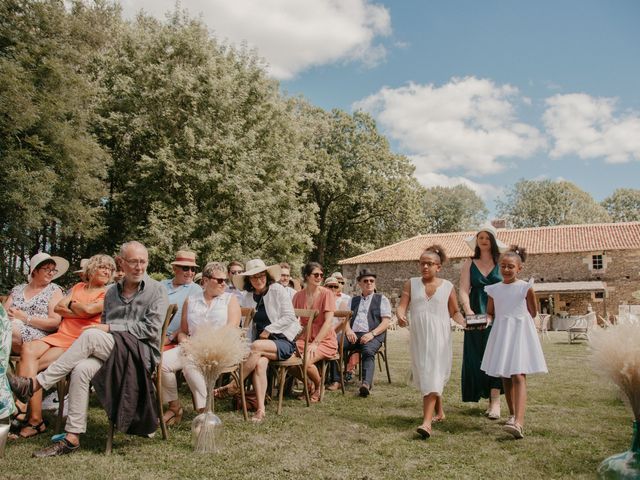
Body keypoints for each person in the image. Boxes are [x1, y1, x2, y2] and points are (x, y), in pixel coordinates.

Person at [9, 241, 168, 457]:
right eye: (133, 262)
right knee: (81, 369)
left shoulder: (157, 290)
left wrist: (111, 327)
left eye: (143, 261)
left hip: (141, 353)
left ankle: (36, 383)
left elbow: (151, 329)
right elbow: (99, 322)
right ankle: (72, 437)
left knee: (92, 333)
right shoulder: (112, 292)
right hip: (112, 350)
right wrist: (106, 328)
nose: (139, 267)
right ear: (121, 262)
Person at [13, 254, 114, 439]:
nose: (107, 271)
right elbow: (60, 309)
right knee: (28, 349)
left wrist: (73, 307)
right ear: (91, 270)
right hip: (61, 335)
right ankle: (33, 416)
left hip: (79, 341)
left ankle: (32, 418)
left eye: (110, 269)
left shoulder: (109, 292)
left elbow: (90, 311)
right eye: (103, 267)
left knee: (26, 365)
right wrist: (80, 311)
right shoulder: (77, 287)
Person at [216, 259, 300, 422]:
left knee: (256, 346)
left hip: (283, 341)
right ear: (248, 280)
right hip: (260, 346)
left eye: (261, 276)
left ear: (267, 276)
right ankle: (260, 410)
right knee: (260, 363)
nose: (258, 280)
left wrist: (269, 330)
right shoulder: (248, 296)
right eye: (254, 277)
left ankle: (234, 385)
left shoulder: (277, 290)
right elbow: (247, 326)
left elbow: (290, 317)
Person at [397, 246, 465, 439]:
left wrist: (466, 323)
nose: (425, 267)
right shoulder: (411, 283)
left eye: (429, 264)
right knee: (427, 372)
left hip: (440, 338)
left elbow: (454, 312)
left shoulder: (448, 287)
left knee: (432, 374)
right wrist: (401, 316)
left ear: (439, 267)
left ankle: (426, 423)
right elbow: (402, 307)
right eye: (422, 263)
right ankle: (440, 412)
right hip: (419, 338)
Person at [161, 262, 241, 425]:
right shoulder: (191, 301)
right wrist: (184, 342)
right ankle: (175, 408)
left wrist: (202, 347)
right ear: (205, 280)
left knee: (190, 364)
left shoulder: (229, 300)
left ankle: (204, 413)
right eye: (219, 280)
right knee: (161, 362)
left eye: (225, 280)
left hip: (219, 348)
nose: (224, 283)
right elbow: (183, 331)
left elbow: (231, 328)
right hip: (191, 346)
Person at [481, 246, 548, 439]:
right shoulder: (494, 289)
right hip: (502, 332)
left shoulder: (525, 287)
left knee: (518, 374)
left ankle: (519, 421)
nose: (506, 270)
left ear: (519, 268)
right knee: (506, 375)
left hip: (519, 332)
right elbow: (491, 312)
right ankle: (511, 415)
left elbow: (533, 312)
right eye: (503, 266)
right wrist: (484, 320)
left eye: (510, 266)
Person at [459, 224, 508, 419]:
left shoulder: (502, 261)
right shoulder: (469, 263)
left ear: (493, 241)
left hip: (499, 313)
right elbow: (463, 289)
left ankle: (495, 401)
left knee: (496, 354)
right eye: (480, 237)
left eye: (488, 237)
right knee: (477, 355)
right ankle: (483, 393)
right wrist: (469, 311)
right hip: (475, 311)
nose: (484, 240)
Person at [337, 269, 390, 397]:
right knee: (334, 343)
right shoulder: (353, 300)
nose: (369, 283)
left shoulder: (381, 299)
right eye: (365, 281)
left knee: (367, 351)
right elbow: (346, 319)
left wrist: (372, 334)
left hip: (373, 335)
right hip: (353, 334)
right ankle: (335, 380)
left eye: (371, 281)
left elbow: (385, 322)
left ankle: (366, 384)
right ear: (359, 283)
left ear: (375, 283)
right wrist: (348, 331)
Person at [291, 262, 337, 402]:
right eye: (315, 274)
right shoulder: (298, 296)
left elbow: (328, 322)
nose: (319, 277)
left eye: (321, 275)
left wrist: (315, 343)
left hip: (324, 340)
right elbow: (292, 320)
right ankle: (309, 384)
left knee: (306, 360)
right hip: (304, 338)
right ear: (306, 276)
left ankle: (319, 386)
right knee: (288, 360)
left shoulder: (327, 294)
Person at [5, 253, 68, 354]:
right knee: (6, 328)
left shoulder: (54, 290)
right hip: (10, 329)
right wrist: (9, 315)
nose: (51, 273)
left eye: (53, 270)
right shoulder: (17, 289)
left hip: (39, 335)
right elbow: (2, 315)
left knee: (9, 329)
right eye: (47, 269)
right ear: (34, 270)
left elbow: (55, 323)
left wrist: (25, 318)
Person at [161, 250, 202, 342]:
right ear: (175, 268)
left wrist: (170, 338)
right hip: (153, 335)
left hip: (175, 340)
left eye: (193, 269)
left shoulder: (196, 290)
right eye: (186, 268)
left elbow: (192, 322)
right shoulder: (162, 285)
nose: (190, 272)